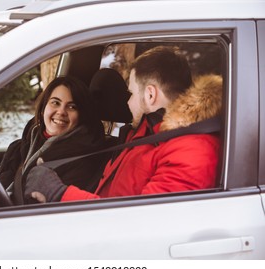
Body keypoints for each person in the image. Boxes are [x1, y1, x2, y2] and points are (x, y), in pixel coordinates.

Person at [24, 46, 222, 203]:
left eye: (131, 93)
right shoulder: (145, 133)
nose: (127, 102)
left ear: (150, 95)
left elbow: (141, 222)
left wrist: (59, 193)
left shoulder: (191, 151)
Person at [0, 75, 109, 204]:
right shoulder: (20, 147)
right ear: (44, 108)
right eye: (55, 102)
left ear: (81, 116)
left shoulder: (83, 160)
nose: (61, 112)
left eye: (72, 107)